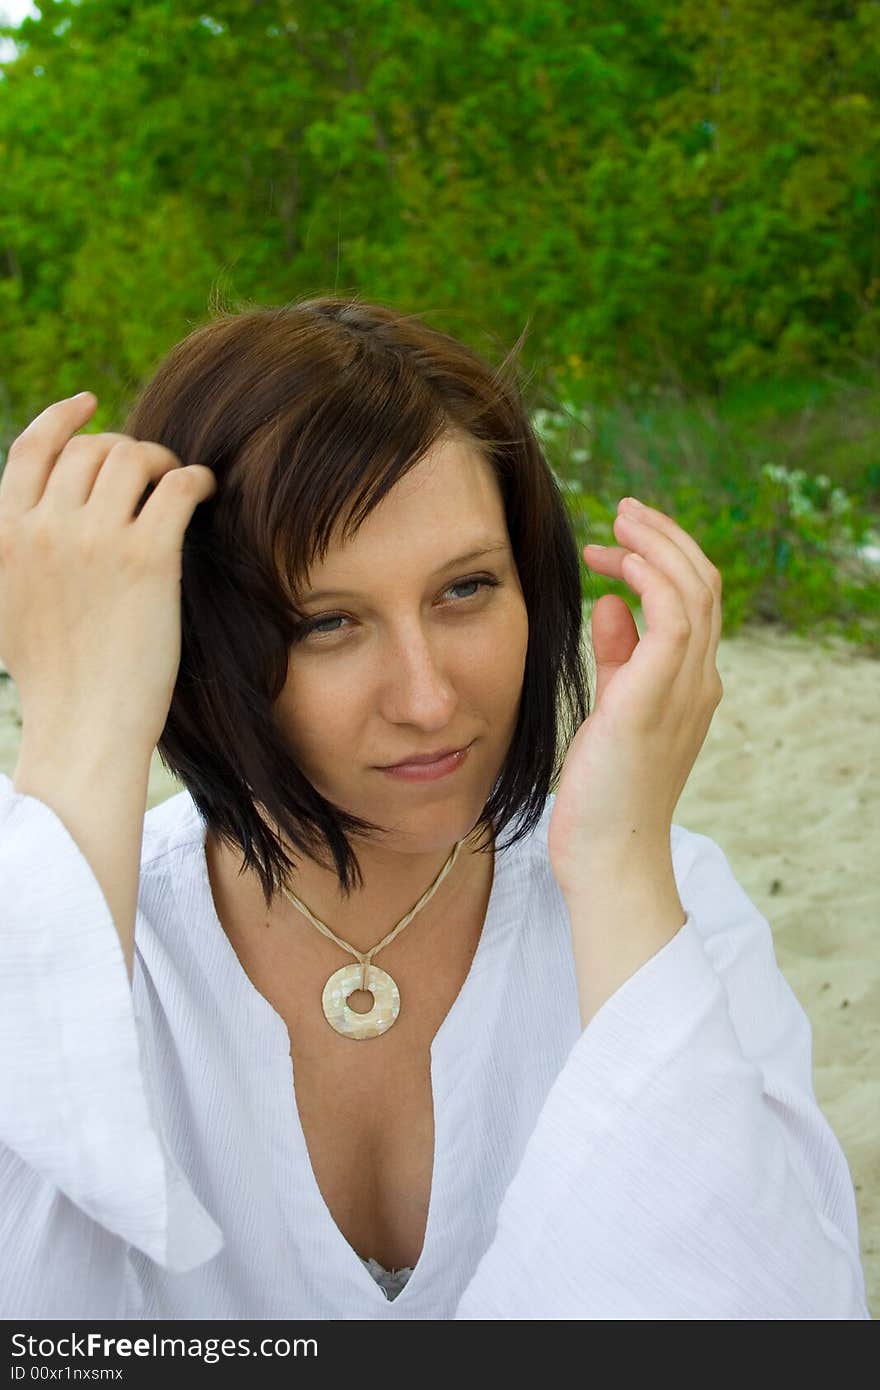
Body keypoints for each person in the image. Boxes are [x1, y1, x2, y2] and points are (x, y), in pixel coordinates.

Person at [0, 296, 870, 1320]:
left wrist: (621, 866)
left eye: (464, 590)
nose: (427, 698)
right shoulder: (103, 933)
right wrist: (81, 733)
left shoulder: (664, 901)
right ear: (201, 634)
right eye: (327, 620)